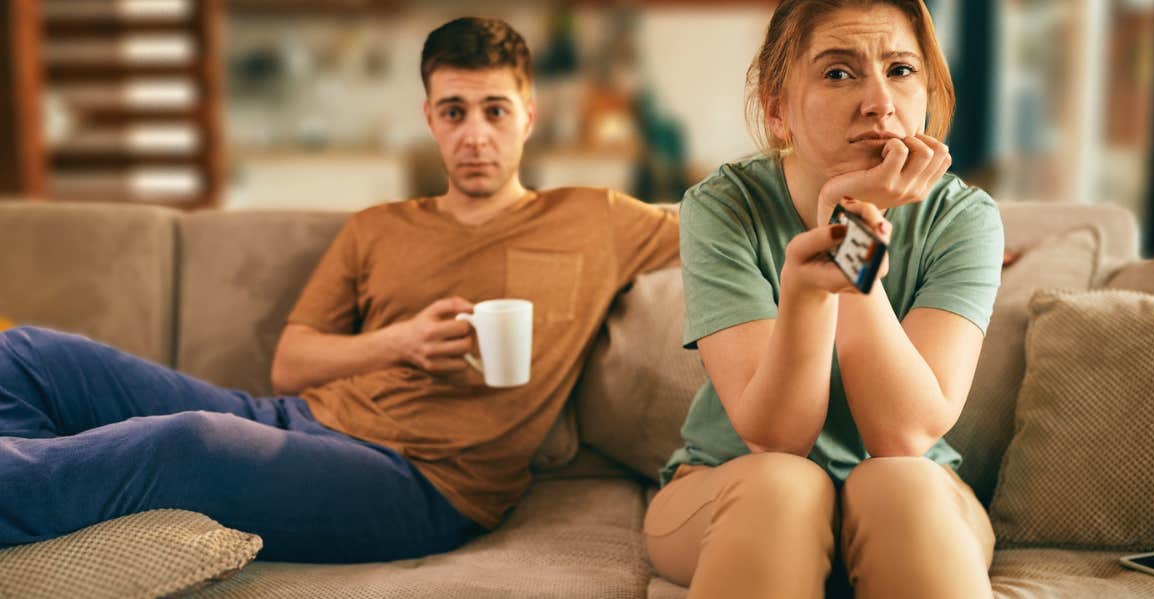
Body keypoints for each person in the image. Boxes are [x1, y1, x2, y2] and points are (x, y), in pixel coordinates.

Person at [0, 17, 678, 563]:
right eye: (454, 111)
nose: (475, 134)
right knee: (30, 353)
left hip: (423, 485)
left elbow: (734, 214)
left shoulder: (598, 218)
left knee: (189, 444)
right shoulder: (377, 227)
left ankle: (29, 484)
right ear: (430, 117)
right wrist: (399, 342)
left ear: (528, 114)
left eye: (495, 110)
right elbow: (292, 363)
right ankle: (33, 489)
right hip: (296, 420)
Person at [642, 1, 1002, 598]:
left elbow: (904, 435)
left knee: (898, 483)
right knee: (781, 485)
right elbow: (778, 438)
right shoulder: (723, 207)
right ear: (777, 109)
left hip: (912, 494)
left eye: (901, 70)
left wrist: (849, 233)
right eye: (839, 72)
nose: (880, 103)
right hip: (734, 488)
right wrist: (814, 281)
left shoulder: (963, 218)